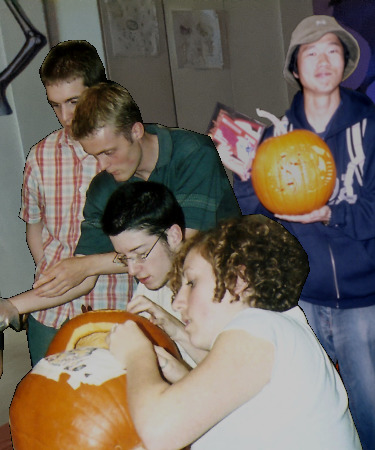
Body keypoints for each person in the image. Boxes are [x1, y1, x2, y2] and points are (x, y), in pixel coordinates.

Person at [233, 15, 375, 449]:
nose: (322, 60)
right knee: (314, 402)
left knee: (369, 408)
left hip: (364, 297)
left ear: (346, 63)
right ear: (295, 68)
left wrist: (331, 213)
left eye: (332, 50)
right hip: (303, 295)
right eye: (310, 53)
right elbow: (257, 216)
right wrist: (243, 178)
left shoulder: (370, 127)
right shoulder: (274, 137)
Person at [108, 214, 361, 449]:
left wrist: (137, 353)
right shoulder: (277, 331)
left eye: (192, 283)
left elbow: (159, 431)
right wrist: (181, 369)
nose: (177, 303)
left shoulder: (260, 328)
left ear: (239, 279)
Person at [28, 81, 241, 300]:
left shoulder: (193, 153)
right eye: (95, 155)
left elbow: (182, 246)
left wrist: (88, 265)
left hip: (228, 286)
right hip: (168, 297)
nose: (101, 165)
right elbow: (80, 277)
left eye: (109, 152)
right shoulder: (104, 185)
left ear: (136, 131)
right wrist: (12, 307)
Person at [0, 41, 134, 366]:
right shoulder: (40, 157)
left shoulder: (125, 155)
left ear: (99, 89)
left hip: (116, 307)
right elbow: (35, 229)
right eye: (56, 105)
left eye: (74, 101)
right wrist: (51, 272)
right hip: (50, 313)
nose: (66, 116)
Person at [102, 181, 207, 368]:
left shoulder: (217, 287)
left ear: (173, 236)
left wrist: (176, 330)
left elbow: (233, 379)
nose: (132, 270)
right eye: (125, 258)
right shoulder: (149, 288)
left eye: (141, 254)